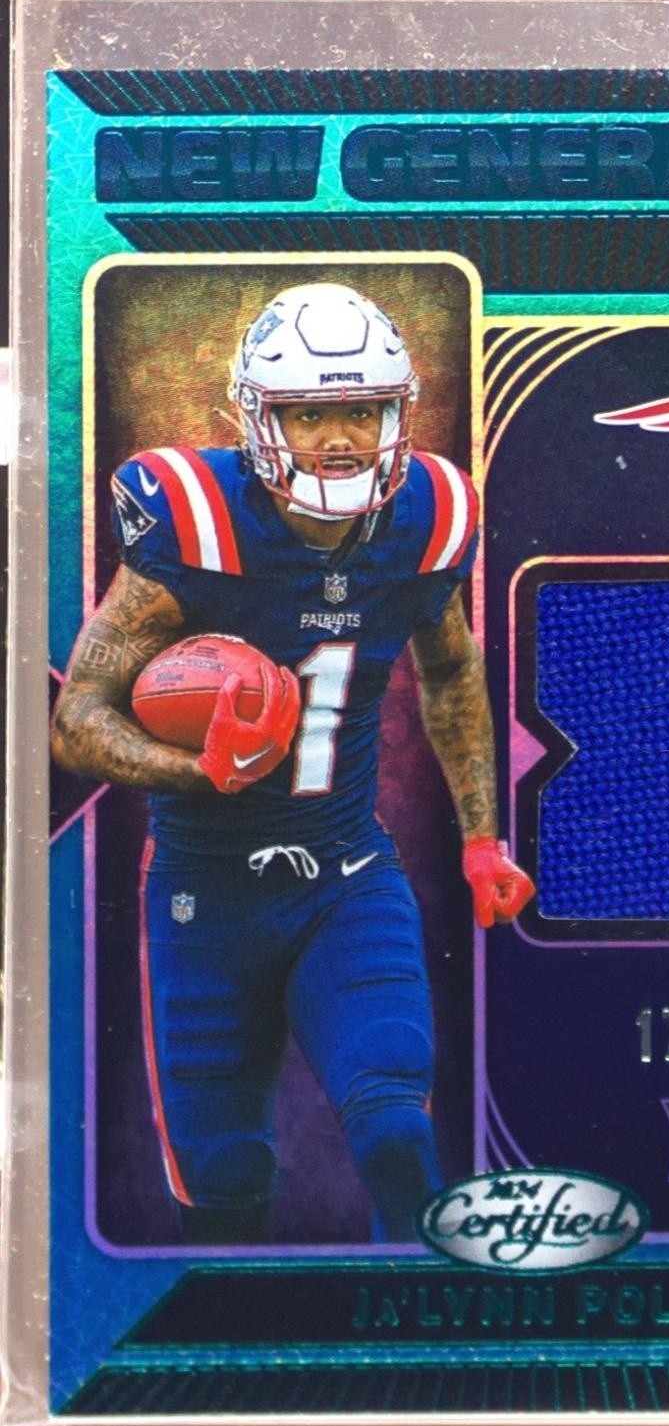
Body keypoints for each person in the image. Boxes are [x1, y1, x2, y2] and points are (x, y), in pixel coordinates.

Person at [52, 281, 534, 1246]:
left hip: (345, 871)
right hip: (204, 894)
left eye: (362, 410)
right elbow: (77, 720)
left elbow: (450, 668)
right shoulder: (194, 520)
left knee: (396, 1128)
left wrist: (482, 839)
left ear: (395, 414)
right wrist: (195, 768)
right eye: (308, 415)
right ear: (259, 420)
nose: (339, 440)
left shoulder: (432, 513)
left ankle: (420, 1326)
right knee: (224, 1181)